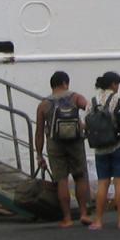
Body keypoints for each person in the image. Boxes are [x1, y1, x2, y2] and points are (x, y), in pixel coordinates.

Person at [34, 71, 93, 228]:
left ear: (52, 85)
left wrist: (39, 155)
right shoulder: (75, 97)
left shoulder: (43, 105)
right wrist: (84, 126)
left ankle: (67, 218)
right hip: (75, 142)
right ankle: (84, 214)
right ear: (65, 83)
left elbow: (39, 133)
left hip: (55, 144)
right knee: (80, 176)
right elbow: (90, 110)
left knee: (62, 180)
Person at [89, 71, 120, 231]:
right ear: (114, 84)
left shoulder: (92, 101)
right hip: (117, 145)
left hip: (100, 149)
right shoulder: (119, 99)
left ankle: (98, 221)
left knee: (103, 184)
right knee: (119, 183)